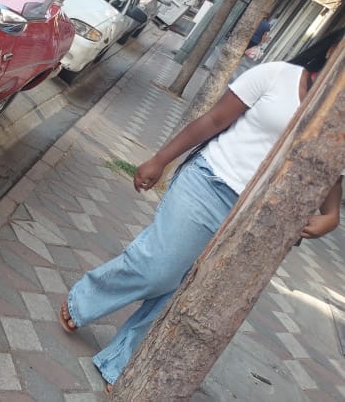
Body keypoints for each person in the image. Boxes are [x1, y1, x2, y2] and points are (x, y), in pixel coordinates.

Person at [61, 29, 345, 391]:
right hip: (210, 182)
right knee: (159, 268)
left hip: (261, 222)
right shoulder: (277, 75)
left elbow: (330, 175)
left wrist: (331, 217)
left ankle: (120, 363)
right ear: (333, 48)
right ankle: (85, 299)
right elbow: (213, 120)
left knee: (185, 292)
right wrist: (160, 159)